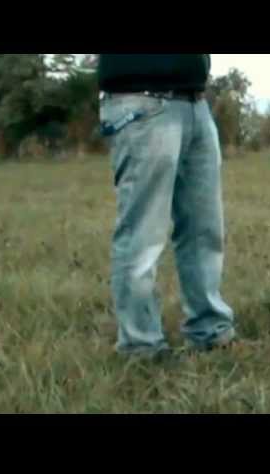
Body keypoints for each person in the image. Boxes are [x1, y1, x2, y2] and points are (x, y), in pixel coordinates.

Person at [98, 54, 236, 360]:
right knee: (142, 233)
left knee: (204, 228)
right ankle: (141, 345)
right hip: (140, 102)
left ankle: (210, 331)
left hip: (194, 102)